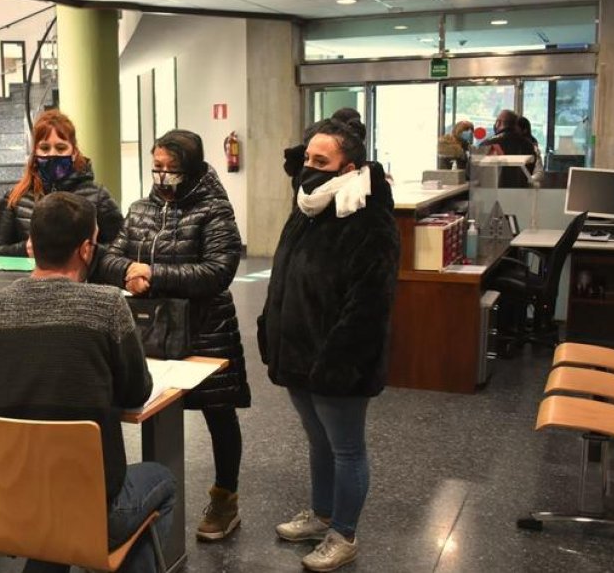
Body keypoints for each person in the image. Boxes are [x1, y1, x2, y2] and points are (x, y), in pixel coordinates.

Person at [0, 192, 174, 573]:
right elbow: (136, 391)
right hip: (95, 511)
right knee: (162, 480)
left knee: (51, 516)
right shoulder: (107, 305)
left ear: (32, 245)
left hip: (9, 504)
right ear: (85, 249)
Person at [258, 120, 401, 572]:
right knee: (318, 441)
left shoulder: (368, 217)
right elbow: (285, 273)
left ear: (349, 167)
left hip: (339, 360)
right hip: (299, 351)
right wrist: (272, 328)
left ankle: (344, 532)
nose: (308, 170)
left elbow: (370, 303)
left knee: (346, 448)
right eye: (307, 160)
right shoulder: (309, 206)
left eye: (321, 162)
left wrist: (337, 362)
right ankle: (321, 516)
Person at [97, 129, 249, 542]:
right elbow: (110, 256)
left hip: (205, 329)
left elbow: (219, 271)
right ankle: (148, 503)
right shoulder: (140, 208)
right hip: (151, 327)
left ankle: (225, 498)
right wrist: (128, 270)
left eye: (172, 169)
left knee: (219, 414)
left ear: (193, 168)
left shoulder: (215, 209)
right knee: (151, 403)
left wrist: (156, 273)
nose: (163, 176)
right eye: (157, 168)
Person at [0, 109, 123, 257]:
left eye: (61, 148)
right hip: (30, 278)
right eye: (45, 148)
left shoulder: (98, 196)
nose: (52, 154)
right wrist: (24, 250)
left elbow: (120, 248)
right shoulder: (15, 197)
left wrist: (89, 251)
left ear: (73, 152)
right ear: (35, 152)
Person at [479, 110, 535, 188]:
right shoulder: (528, 144)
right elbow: (530, 169)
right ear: (515, 125)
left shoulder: (487, 143)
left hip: (494, 193)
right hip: (520, 192)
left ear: (498, 123)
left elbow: (473, 171)